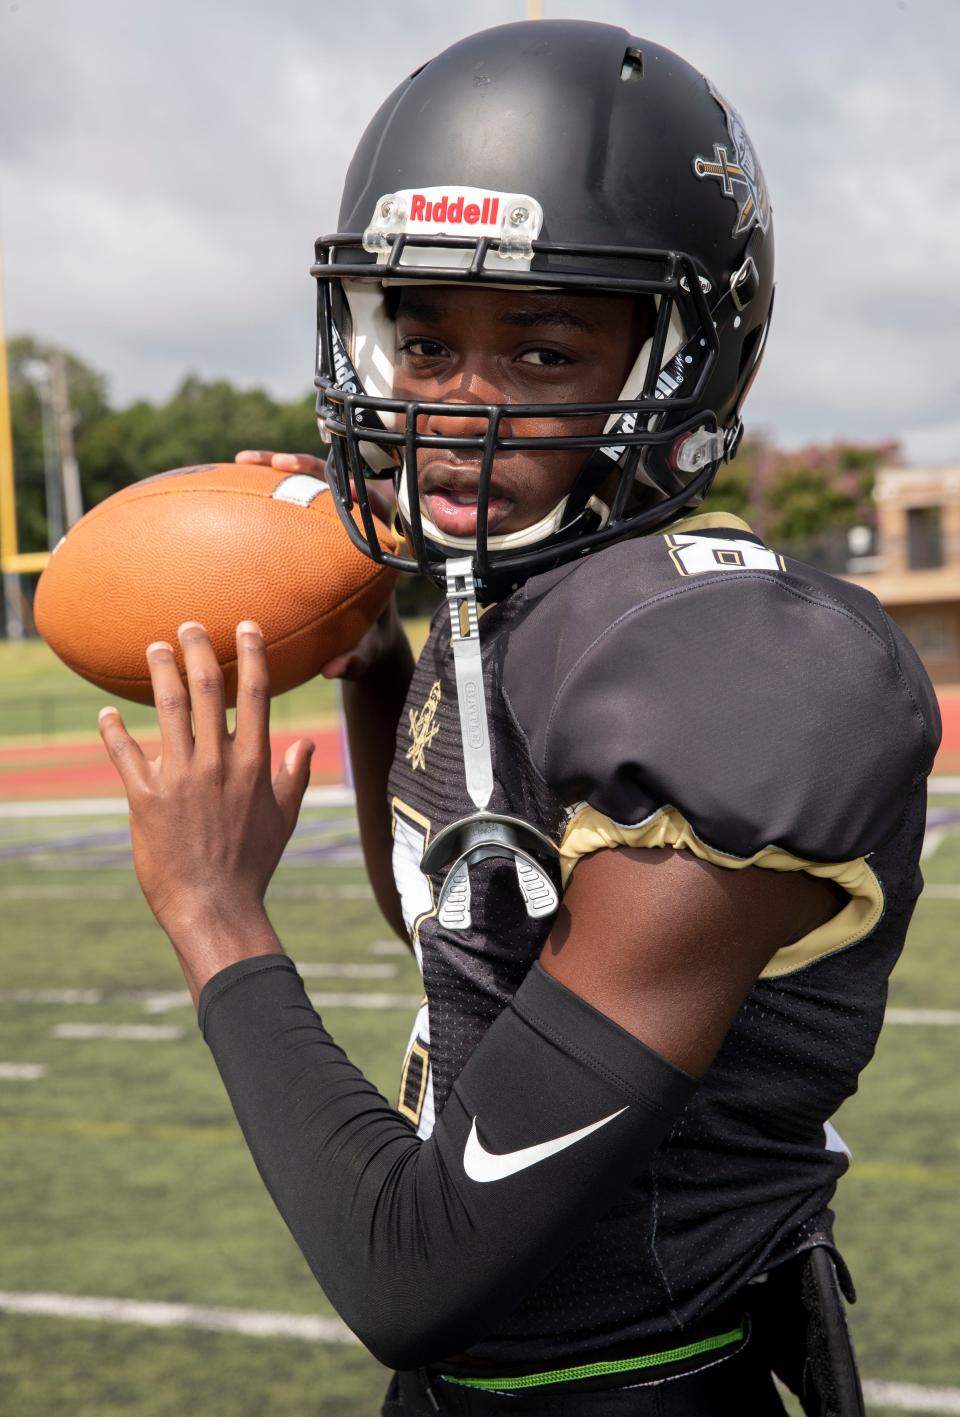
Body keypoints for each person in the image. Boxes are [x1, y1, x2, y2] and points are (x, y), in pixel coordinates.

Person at [98, 21, 941, 1417]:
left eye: (543, 353)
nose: (458, 408)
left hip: (635, 1384)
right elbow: (475, 935)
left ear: (680, 360)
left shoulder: (722, 663)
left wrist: (215, 913)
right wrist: (376, 666)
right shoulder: (518, 597)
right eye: (425, 342)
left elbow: (414, 1271)